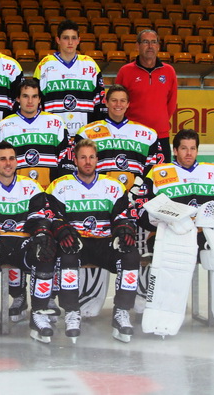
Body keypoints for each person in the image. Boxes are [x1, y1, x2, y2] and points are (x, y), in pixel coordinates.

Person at [134, 129, 214, 336]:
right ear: (175, 150)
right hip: (172, 235)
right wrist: (161, 219)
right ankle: (163, 312)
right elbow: (140, 207)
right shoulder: (158, 173)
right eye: (184, 148)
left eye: (193, 148)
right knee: (171, 260)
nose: (189, 153)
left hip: (208, 235)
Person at [73, 84, 163, 318]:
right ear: (106, 102)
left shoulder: (146, 133)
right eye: (114, 100)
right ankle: (89, 296)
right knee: (96, 243)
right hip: (101, 204)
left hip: (135, 204)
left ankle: (141, 296)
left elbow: (156, 169)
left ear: (128, 104)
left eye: (123, 100)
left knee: (140, 250)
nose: (118, 105)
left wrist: (138, 191)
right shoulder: (88, 132)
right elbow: (80, 167)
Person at [0, 78, 71, 321]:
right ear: (17, 99)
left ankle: (48, 296)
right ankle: (18, 296)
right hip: (17, 197)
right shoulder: (5, 126)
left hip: (47, 195)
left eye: (34, 96)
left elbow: (65, 160)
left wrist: (58, 193)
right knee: (17, 239)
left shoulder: (55, 123)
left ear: (39, 99)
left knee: (48, 244)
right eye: (25, 96)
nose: (30, 101)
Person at [45, 139, 140, 343]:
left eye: (91, 157)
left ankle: (121, 312)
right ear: (75, 160)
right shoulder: (60, 186)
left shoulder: (113, 186)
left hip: (105, 243)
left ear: (97, 159)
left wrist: (124, 228)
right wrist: (62, 229)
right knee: (67, 257)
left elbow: (123, 215)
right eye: (83, 157)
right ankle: (72, 312)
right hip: (77, 243)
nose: (87, 162)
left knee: (131, 257)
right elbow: (51, 216)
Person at [0, 141, 56, 344]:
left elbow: (39, 216)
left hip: (22, 243)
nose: (8, 163)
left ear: (17, 161)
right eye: (2, 159)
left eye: (11, 159)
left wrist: (41, 232)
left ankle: (39, 314)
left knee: (45, 252)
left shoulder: (30, 185)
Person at [115, 29, 177, 163]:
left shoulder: (169, 71)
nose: (150, 46)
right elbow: (117, 103)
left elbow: (171, 104)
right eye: (145, 42)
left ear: (158, 46)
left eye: (153, 42)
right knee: (132, 174)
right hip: (132, 136)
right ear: (137, 46)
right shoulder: (125, 71)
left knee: (161, 174)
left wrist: (159, 121)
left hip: (160, 135)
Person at [33, 19, 105, 135]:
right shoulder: (45, 65)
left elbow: (100, 101)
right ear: (58, 40)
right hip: (53, 133)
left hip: (84, 134)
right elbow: (36, 101)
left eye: (74, 38)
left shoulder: (90, 64)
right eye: (66, 38)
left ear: (78, 40)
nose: (70, 42)